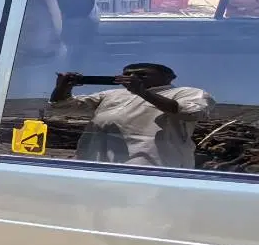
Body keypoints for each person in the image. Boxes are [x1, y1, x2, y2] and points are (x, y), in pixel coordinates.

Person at [49, 63, 214, 168]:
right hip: (93, 166)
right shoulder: (113, 94)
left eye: (142, 75)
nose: (132, 78)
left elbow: (191, 112)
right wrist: (63, 87)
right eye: (127, 74)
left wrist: (141, 92)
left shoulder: (186, 92)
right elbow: (62, 106)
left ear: (169, 78)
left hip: (151, 170)